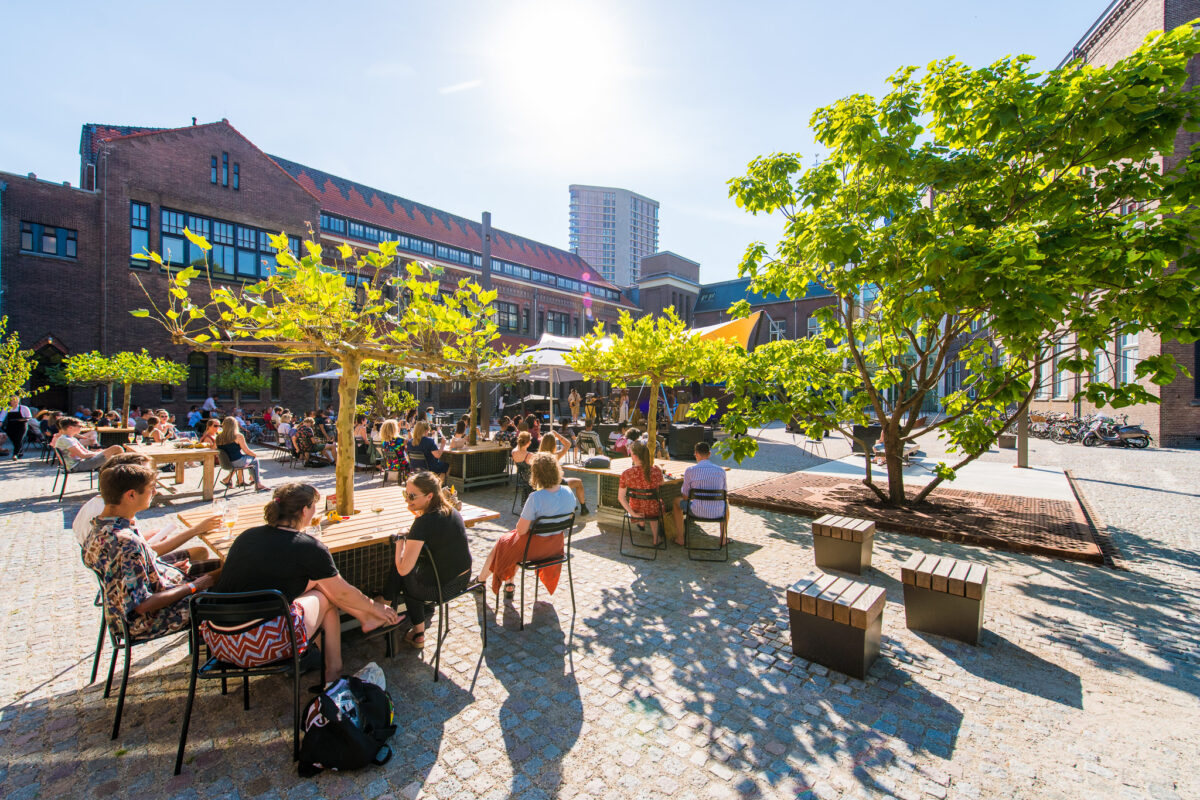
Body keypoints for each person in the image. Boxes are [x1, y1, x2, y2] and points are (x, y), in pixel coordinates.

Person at [206, 483, 400, 678]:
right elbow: (342, 592)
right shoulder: (309, 548)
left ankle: (358, 626)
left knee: (321, 585)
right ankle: (333, 673)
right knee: (327, 598)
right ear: (305, 510)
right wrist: (375, 606)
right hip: (258, 646)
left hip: (218, 641)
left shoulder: (246, 536)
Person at [81, 460, 222, 640]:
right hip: (145, 621)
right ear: (131, 495)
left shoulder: (100, 527)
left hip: (125, 612)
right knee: (233, 584)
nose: (154, 492)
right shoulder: (125, 542)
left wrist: (165, 571)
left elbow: (129, 577)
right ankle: (223, 646)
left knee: (222, 568)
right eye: (151, 488)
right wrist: (195, 586)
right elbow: (142, 605)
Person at [389, 471, 473, 648]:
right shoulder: (451, 510)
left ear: (429, 496)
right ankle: (385, 602)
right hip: (463, 578)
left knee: (403, 574)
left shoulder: (424, 523)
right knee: (413, 564)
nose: (407, 499)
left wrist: (399, 540)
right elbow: (433, 531)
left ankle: (417, 631)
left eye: (412, 496)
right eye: (406, 494)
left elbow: (403, 568)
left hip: (441, 589)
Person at [476, 452, 576, 597]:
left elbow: (521, 530)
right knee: (511, 543)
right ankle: (508, 584)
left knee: (503, 543)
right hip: (556, 546)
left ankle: (481, 580)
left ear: (535, 474)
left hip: (535, 548)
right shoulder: (568, 492)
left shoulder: (536, 498)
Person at [669, 441, 727, 547]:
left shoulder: (690, 471)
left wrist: (692, 500)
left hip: (697, 511)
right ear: (709, 454)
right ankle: (723, 538)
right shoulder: (721, 471)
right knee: (726, 502)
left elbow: (685, 496)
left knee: (676, 502)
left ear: (696, 454)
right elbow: (724, 494)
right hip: (718, 512)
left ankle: (680, 538)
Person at [618, 441, 665, 545]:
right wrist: (660, 471)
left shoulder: (626, 473)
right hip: (653, 510)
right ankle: (656, 539)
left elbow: (621, 498)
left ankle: (641, 522)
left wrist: (632, 513)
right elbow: (662, 483)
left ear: (634, 456)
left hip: (636, 509)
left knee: (641, 502)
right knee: (655, 502)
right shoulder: (656, 471)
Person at [538, 432, 589, 515]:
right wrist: (556, 434)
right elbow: (568, 444)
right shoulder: (555, 455)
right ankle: (583, 508)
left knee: (566, 479)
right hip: (556, 484)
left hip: (543, 484)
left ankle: (571, 505)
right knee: (578, 482)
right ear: (553, 444)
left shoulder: (538, 456)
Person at [215, 416, 268, 490]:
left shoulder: (218, 437)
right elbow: (247, 451)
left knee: (246, 458)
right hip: (236, 462)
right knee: (255, 460)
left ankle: (245, 479)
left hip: (225, 463)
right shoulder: (238, 436)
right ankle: (257, 483)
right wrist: (255, 455)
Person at [56, 418, 125, 472]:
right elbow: (83, 455)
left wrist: (99, 452)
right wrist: (97, 453)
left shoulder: (70, 438)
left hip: (81, 463)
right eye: (80, 426)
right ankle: (125, 471)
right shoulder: (66, 440)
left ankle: (121, 471)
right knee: (116, 448)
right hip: (76, 466)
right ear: (70, 427)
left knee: (114, 455)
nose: (81, 427)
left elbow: (85, 451)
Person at [4, 395, 32, 460]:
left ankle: (15, 454)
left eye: (15, 400)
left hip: (21, 426)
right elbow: (2, 417)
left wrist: (23, 419)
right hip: (10, 426)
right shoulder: (7, 408)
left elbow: (29, 417)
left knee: (19, 439)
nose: (13, 401)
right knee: (15, 441)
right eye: (12, 400)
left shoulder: (24, 408)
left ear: (18, 401)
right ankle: (20, 452)